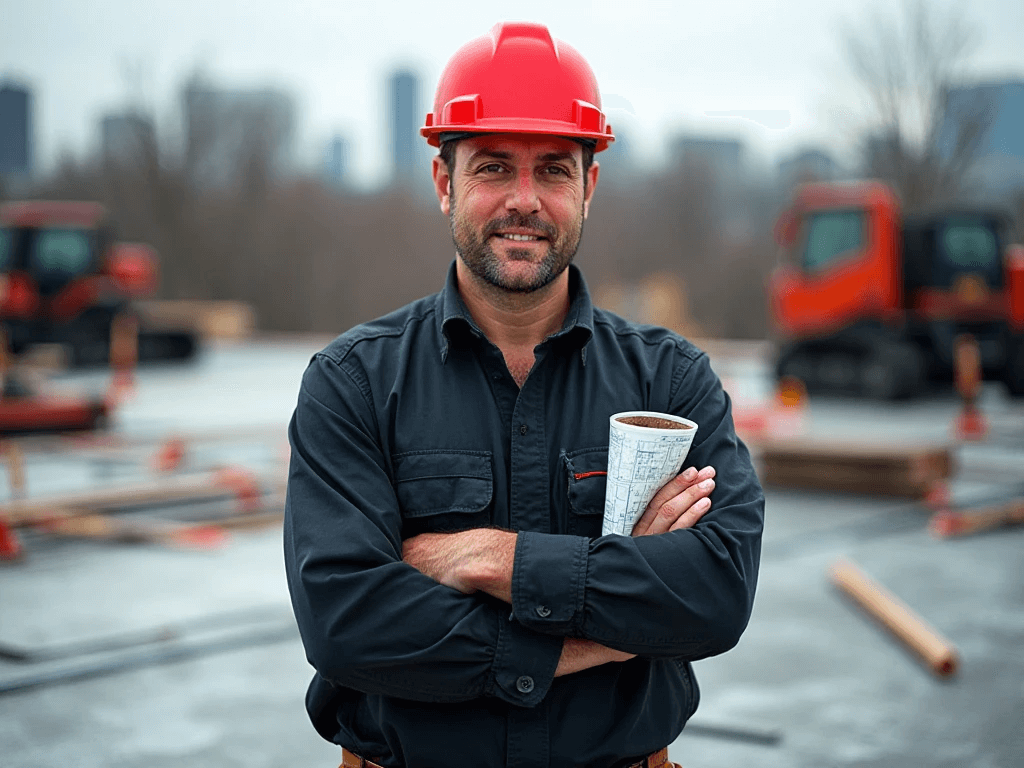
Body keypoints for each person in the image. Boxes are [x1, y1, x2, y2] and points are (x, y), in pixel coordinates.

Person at [284, 21, 765, 768]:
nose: (524, 201)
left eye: (552, 171)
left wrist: (489, 559)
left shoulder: (671, 381)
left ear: (589, 185)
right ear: (446, 183)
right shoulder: (353, 383)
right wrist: (604, 624)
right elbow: (347, 623)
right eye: (492, 168)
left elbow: (717, 594)